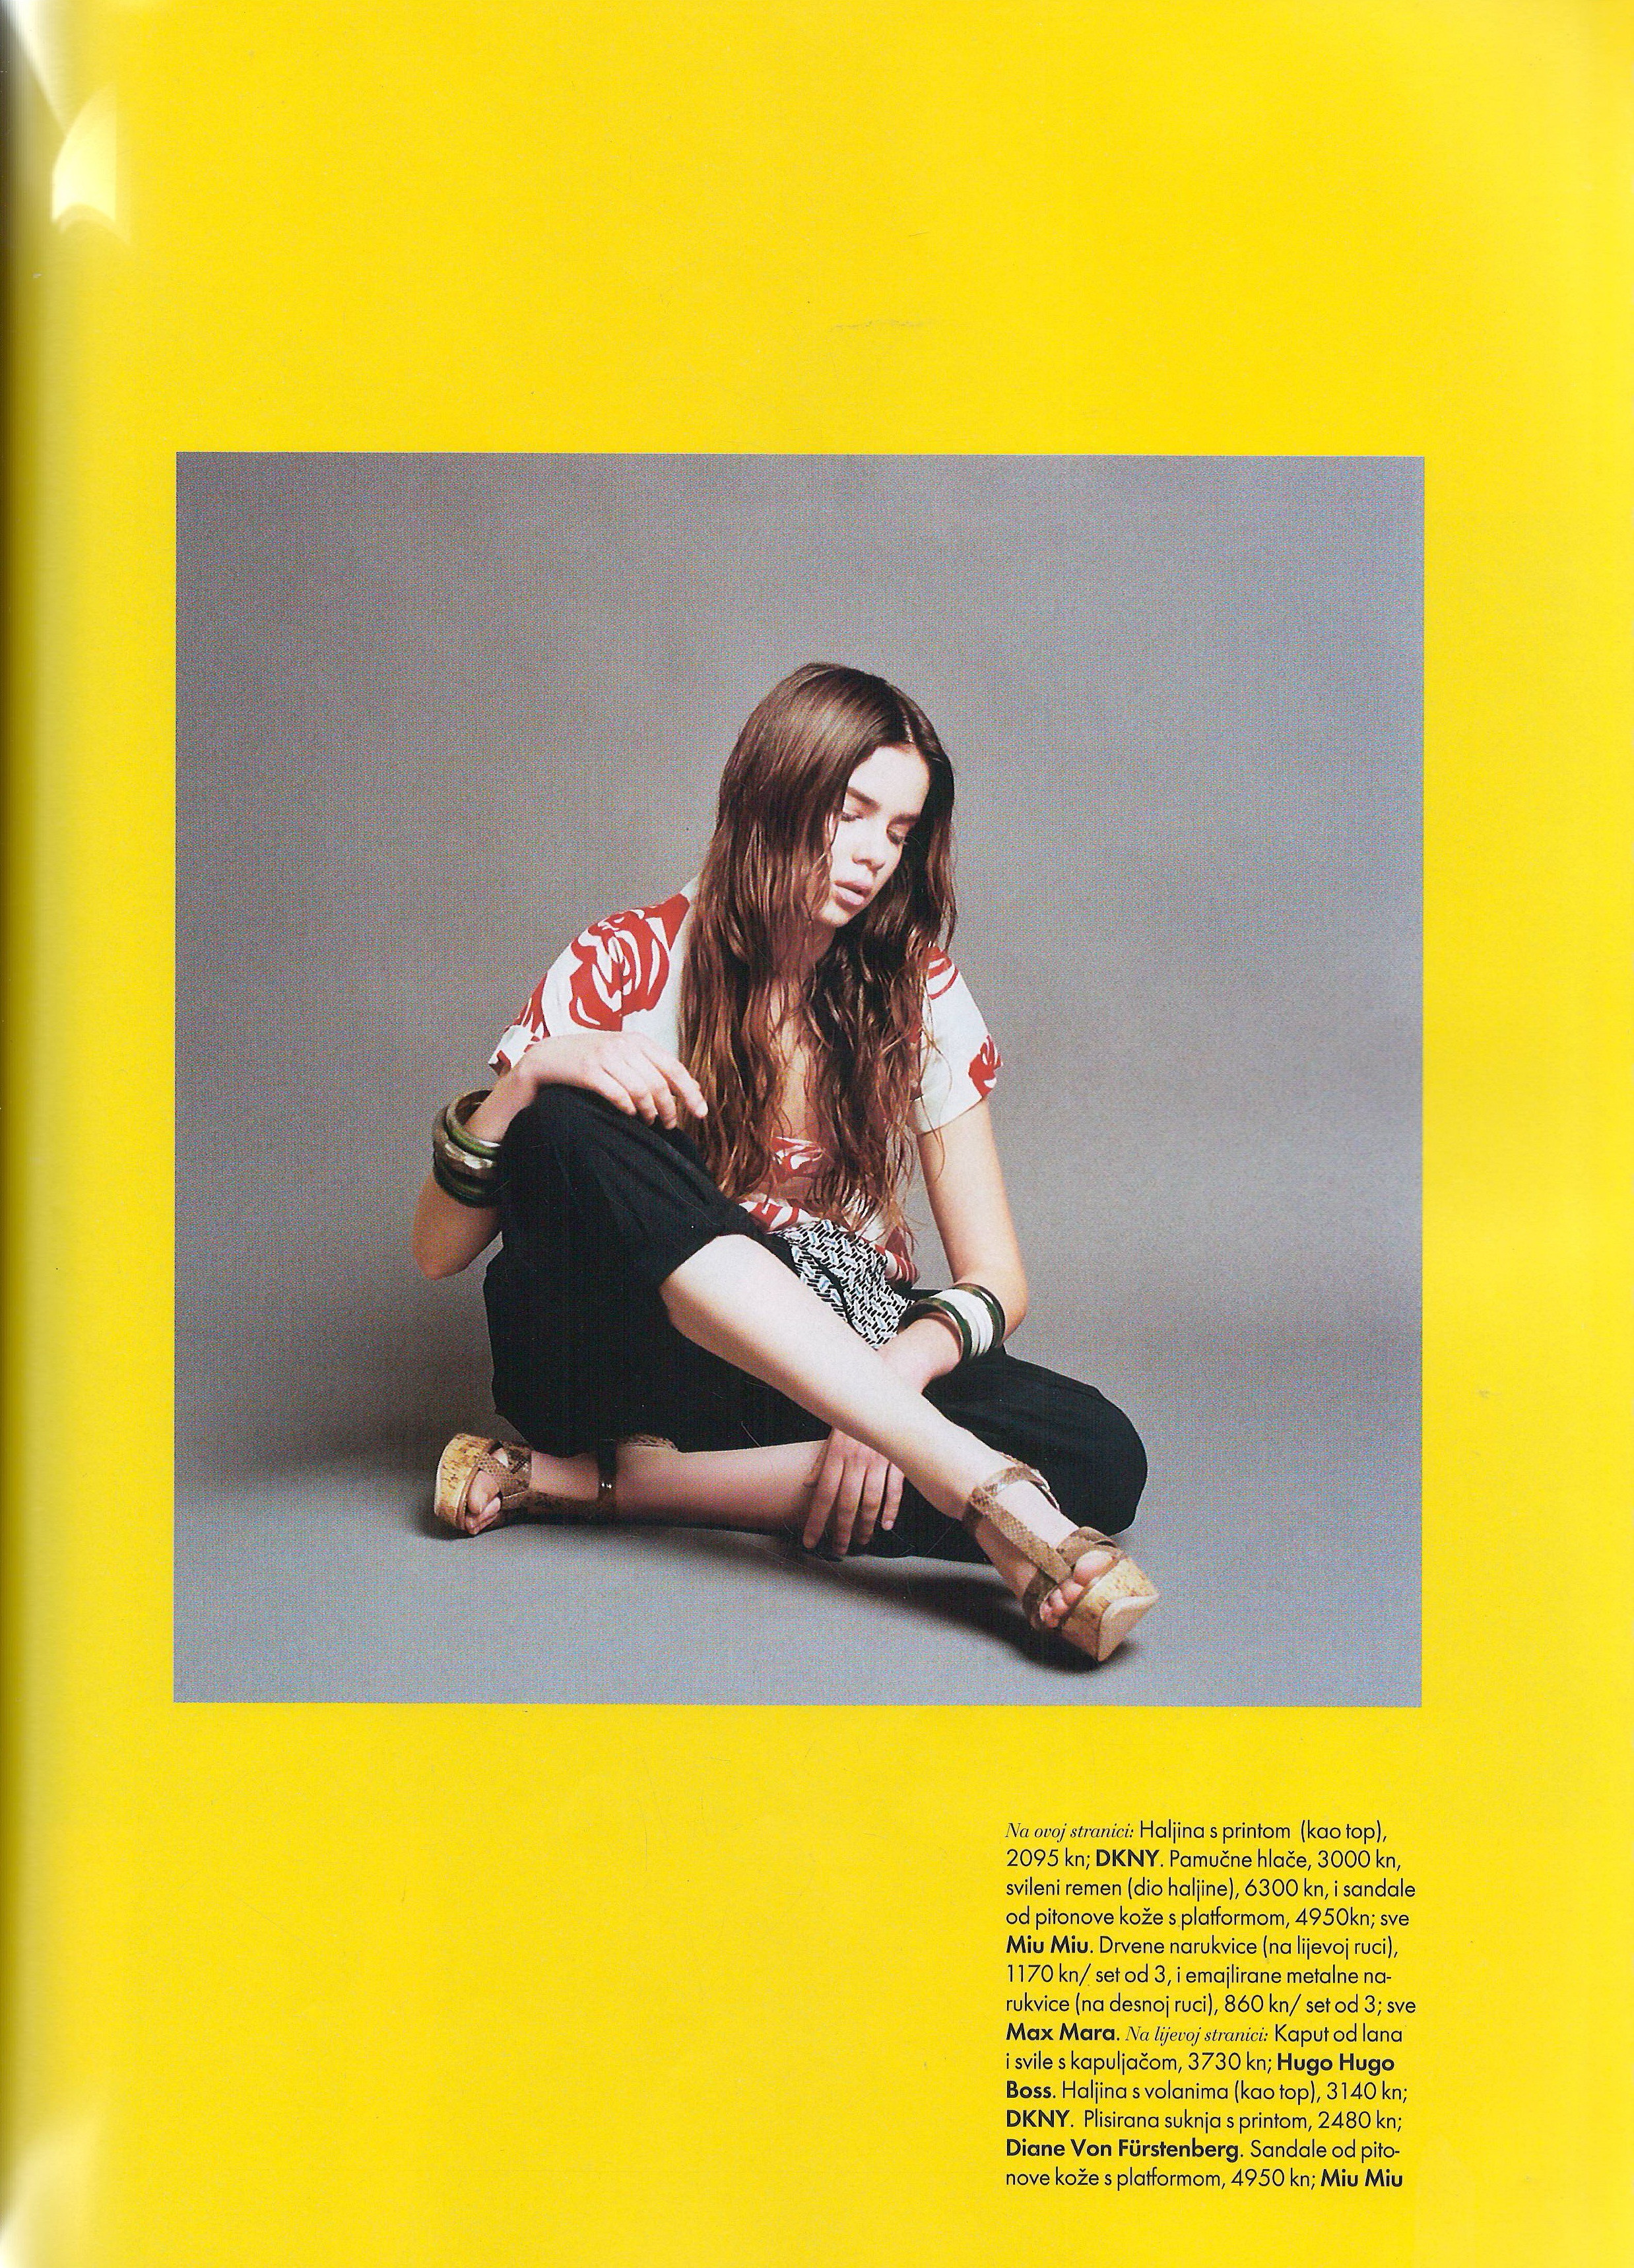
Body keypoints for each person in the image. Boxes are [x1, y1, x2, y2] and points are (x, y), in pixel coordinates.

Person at [412, 663, 1157, 1662]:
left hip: (818, 1362)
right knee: (562, 1117)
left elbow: (997, 1278)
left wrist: (886, 1389)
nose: (874, 855)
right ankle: (974, 1484)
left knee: (1101, 1455)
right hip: (629, 1358)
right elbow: (436, 1251)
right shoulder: (629, 960)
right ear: (773, 793)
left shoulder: (917, 989)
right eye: (850, 813)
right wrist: (531, 1077)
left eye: (900, 831)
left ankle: (605, 1487)